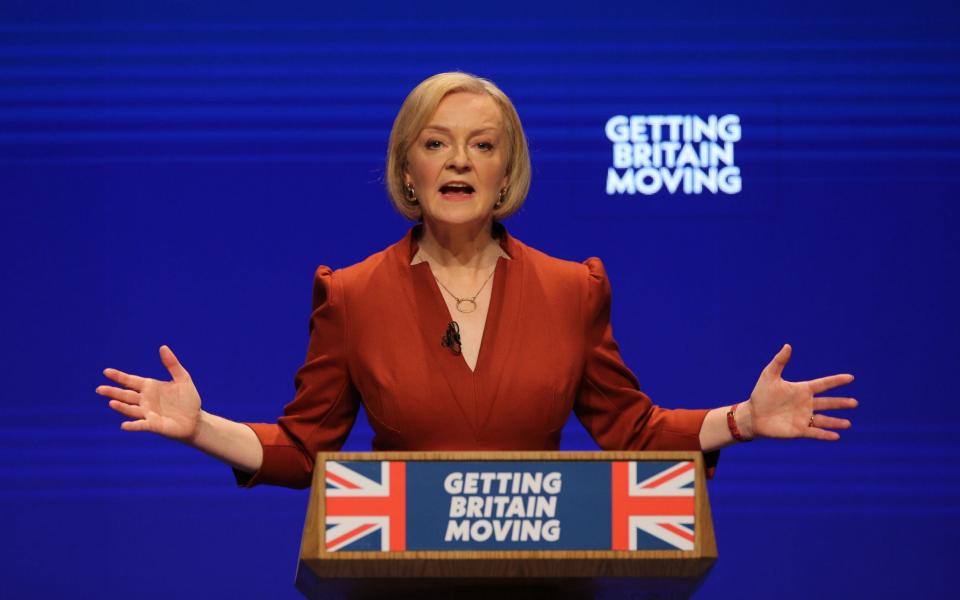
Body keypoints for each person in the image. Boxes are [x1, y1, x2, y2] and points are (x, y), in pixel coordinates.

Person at [96, 72, 857, 489]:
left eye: (481, 146)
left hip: (547, 574)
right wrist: (199, 428)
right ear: (408, 170)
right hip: (398, 580)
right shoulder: (353, 295)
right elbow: (304, 449)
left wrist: (743, 420)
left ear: (504, 174)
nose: (458, 160)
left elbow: (630, 432)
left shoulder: (572, 290)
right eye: (436, 143)